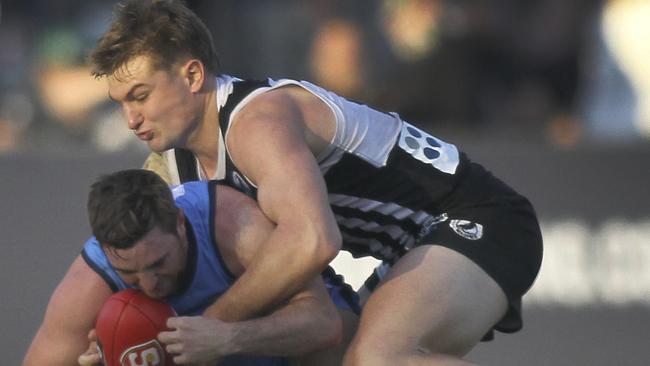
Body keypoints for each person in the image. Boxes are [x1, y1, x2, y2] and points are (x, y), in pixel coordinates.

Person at [89, 1, 544, 364]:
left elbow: (312, 240)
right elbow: (147, 271)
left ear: (191, 75)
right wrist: (120, 343)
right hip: (397, 254)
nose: (130, 119)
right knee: (314, 352)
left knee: (378, 358)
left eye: (141, 96)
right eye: (120, 103)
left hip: (476, 218)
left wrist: (213, 326)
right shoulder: (168, 166)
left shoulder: (257, 121)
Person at [23, 169, 359, 366]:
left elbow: (324, 325)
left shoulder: (233, 225)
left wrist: (227, 338)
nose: (150, 284)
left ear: (180, 224)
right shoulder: (90, 282)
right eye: (130, 275)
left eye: (159, 263)